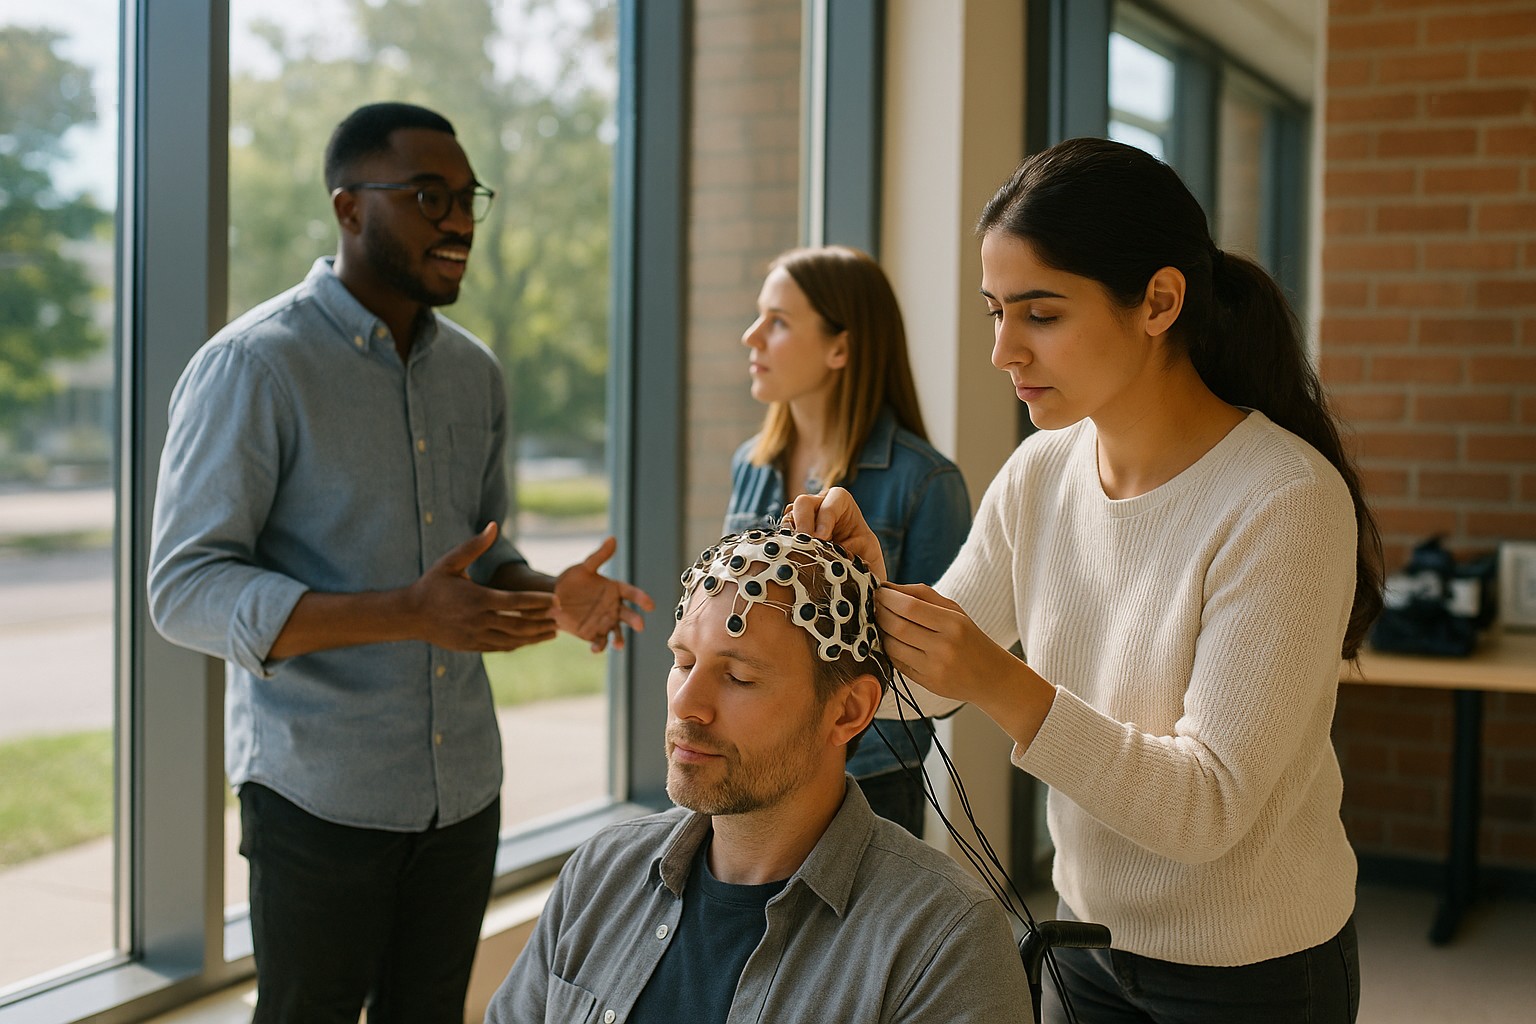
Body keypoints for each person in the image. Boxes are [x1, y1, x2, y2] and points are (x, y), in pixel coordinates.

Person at [790, 137, 1382, 1024]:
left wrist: (999, 679)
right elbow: (919, 683)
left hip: (1255, 972)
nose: (1003, 351)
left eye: (1040, 313)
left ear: (1160, 301)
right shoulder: (1042, 473)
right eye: (994, 311)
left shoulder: (1284, 500)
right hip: (1087, 944)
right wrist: (867, 587)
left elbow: (1207, 808)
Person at [147, 101, 654, 1024]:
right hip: (317, 795)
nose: (458, 220)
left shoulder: (477, 375)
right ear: (350, 209)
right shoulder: (255, 367)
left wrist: (551, 597)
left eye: (468, 198)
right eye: (430, 196)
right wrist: (407, 612)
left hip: (462, 794)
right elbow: (184, 589)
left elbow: (478, 564)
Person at [484, 528, 1031, 1023]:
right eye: (682, 662)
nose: (688, 705)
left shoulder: (941, 943)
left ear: (846, 712)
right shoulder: (601, 874)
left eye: (739, 677)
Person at [725, 245, 970, 836]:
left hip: (871, 781)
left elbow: (947, 674)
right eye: (759, 316)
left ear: (841, 346)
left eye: (778, 321)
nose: (750, 337)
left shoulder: (926, 482)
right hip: (752, 761)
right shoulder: (751, 465)